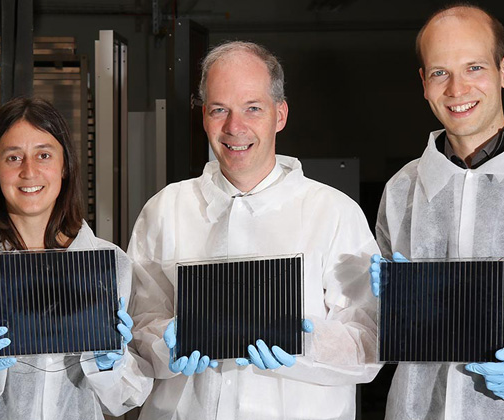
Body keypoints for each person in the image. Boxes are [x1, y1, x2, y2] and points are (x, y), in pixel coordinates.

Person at [127, 40, 381, 420]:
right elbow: (136, 326)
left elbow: (369, 340)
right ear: (204, 117)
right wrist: (166, 343)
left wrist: (304, 342)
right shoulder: (166, 209)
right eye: (219, 110)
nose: (235, 127)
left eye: (252, 108)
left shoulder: (333, 213)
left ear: (280, 115)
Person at [0, 97, 152, 420]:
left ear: (64, 166)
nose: (29, 171)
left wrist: (111, 365)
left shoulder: (110, 264)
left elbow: (126, 397)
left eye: (43, 155)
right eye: (13, 157)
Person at [371, 4, 504, 419]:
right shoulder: (401, 190)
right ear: (424, 83)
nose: (457, 89)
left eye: (474, 68)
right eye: (440, 73)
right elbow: (373, 328)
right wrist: (377, 304)